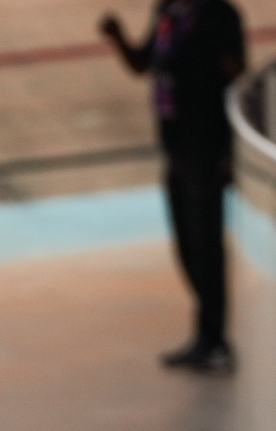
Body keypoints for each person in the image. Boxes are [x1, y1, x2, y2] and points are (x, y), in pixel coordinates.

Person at [100, 0, 246, 374]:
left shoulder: (218, 15)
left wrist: (230, 149)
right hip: (176, 147)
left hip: (206, 148)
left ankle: (215, 340)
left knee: (207, 247)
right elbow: (145, 64)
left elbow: (238, 82)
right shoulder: (168, 12)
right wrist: (118, 38)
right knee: (186, 246)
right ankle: (205, 336)